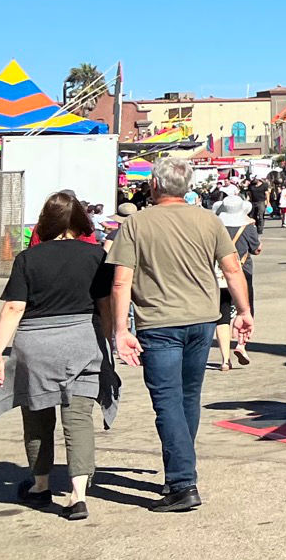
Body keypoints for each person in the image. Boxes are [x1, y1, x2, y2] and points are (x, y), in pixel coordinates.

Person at [108, 154, 253, 512]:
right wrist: (244, 311)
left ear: (154, 185)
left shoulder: (137, 224)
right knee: (188, 396)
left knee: (168, 400)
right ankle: (182, 469)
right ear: (187, 187)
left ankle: (182, 481)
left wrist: (120, 329)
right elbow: (233, 270)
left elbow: (120, 282)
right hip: (203, 318)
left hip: (159, 322)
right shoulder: (208, 220)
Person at [0, 192, 119, 521]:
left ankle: (40, 485)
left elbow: (15, 307)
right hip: (83, 339)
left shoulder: (28, 259)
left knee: (37, 415)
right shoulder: (96, 256)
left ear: (46, 221)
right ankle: (78, 495)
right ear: (81, 222)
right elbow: (104, 305)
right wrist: (108, 341)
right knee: (79, 418)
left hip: (37, 344)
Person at [212, 196, 260, 371]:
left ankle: (225, 359)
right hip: (243, 272)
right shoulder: (248, 227)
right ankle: (241, 345)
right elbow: (255, 248)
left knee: (222, 314)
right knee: (245, 309)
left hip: (219, 274)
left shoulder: (216, 226)